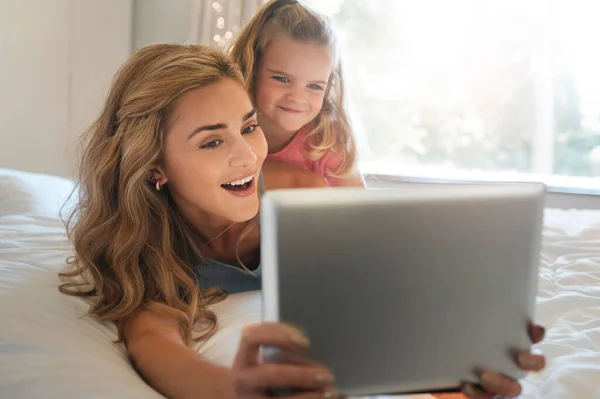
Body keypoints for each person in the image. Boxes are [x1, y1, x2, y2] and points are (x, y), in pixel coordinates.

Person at [59, 43, 545, 399]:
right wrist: (238, 392)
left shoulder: (301, 196)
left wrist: (455, 374)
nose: (246, 154)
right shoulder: (151, 246)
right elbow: (153, 344)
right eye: (212, 141)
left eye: (248, 126)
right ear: (155, 168)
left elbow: (382, 293)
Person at [229, 0, 365, 187]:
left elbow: (358, 209)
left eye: (314, 86)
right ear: (252, 69)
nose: (298, 98)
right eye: (282, 79)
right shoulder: (225, 131)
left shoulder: (327, 141)